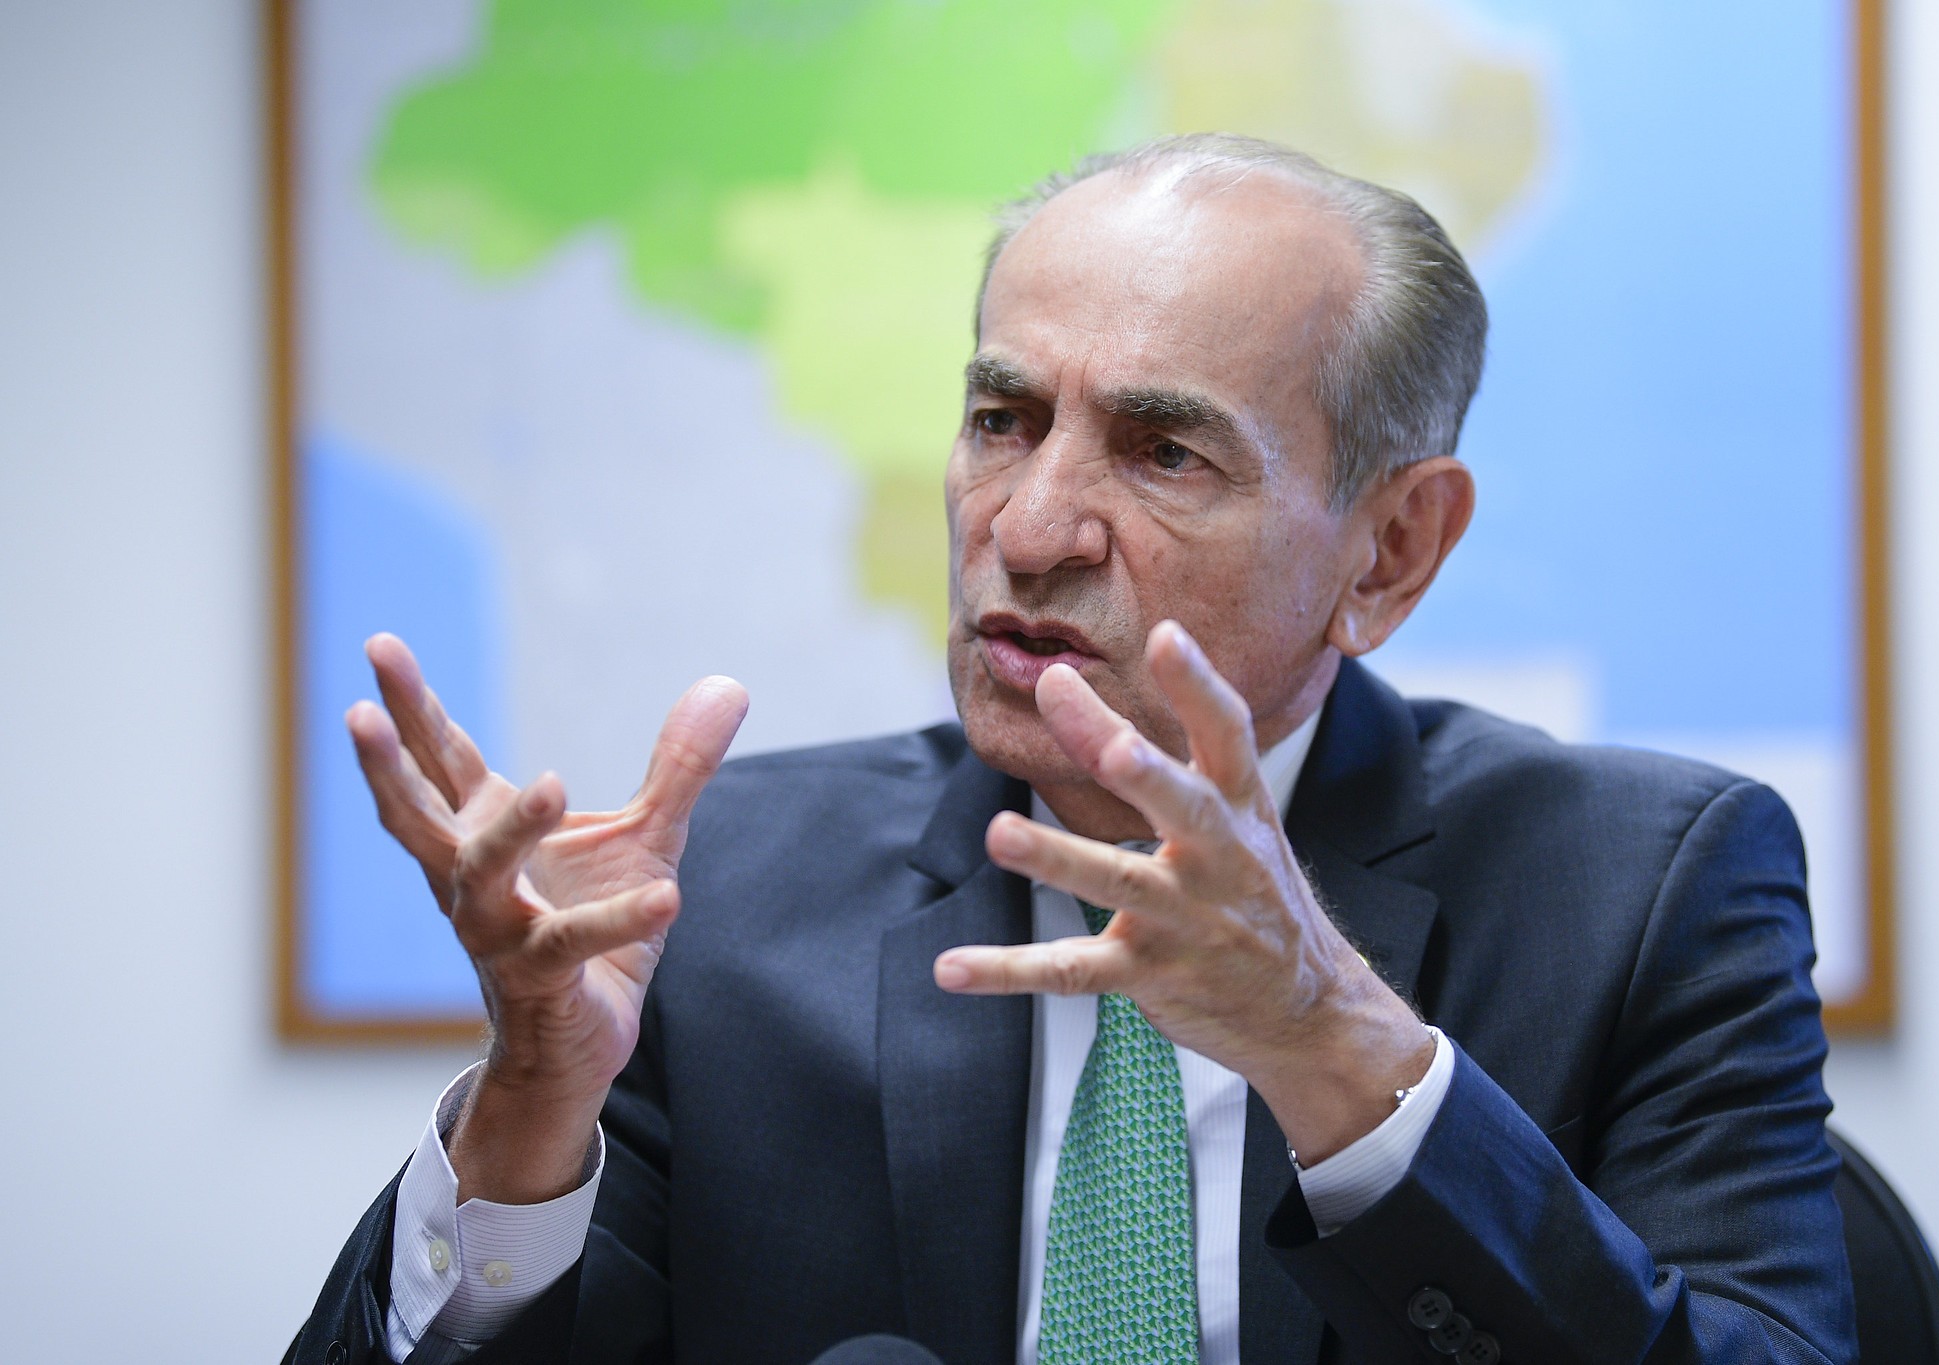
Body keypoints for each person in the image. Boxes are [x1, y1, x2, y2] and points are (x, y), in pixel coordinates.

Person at [288, 135, 1854, 1365]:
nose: (1029, 530)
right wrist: (530, 1106)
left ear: (1388, 550)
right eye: (1002, 419)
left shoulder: (1644, 890)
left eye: (1164, 451)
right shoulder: (725, 893)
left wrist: (1335, 1043)